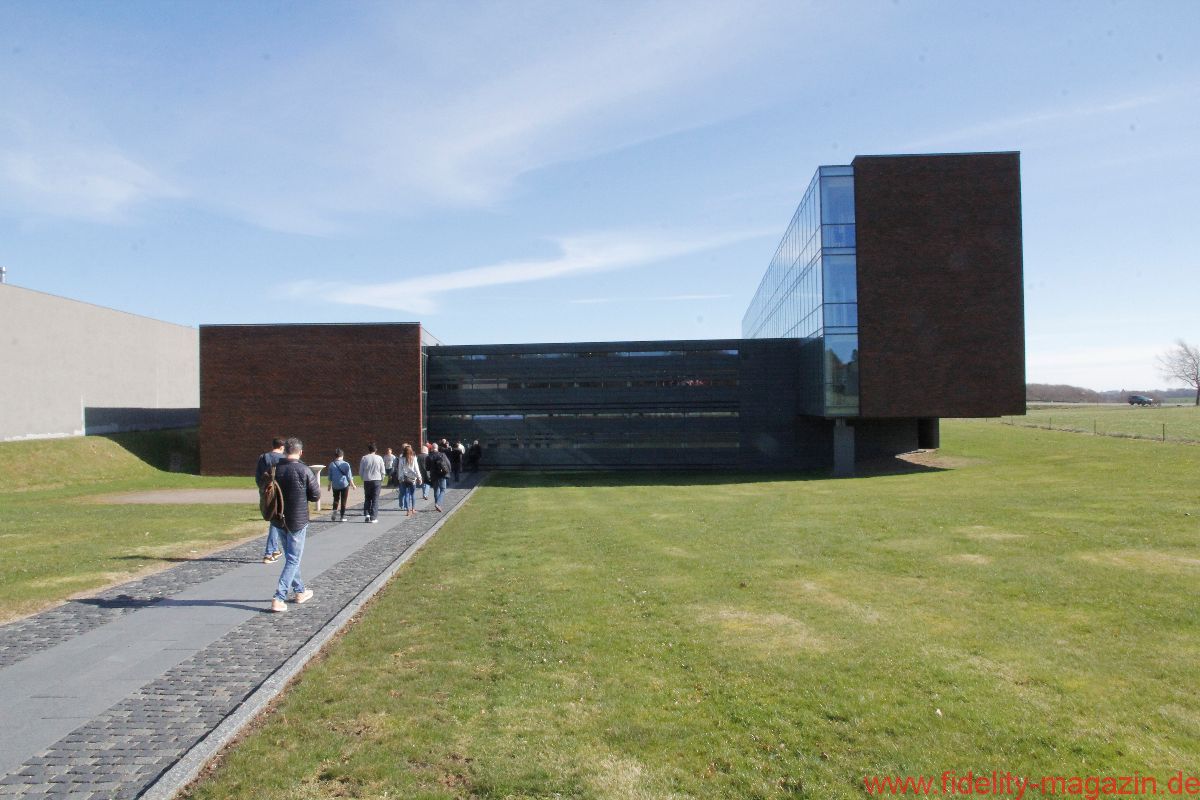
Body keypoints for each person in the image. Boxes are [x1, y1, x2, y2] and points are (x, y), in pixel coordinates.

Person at [270, 437, 320, 613]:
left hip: (279, 519)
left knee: (291, 558)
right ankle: (279, 597)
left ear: (284, 451)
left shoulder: (275, 468)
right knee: (293, 559)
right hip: (297, 520)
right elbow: (315, 495)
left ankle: (300, 591)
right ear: (301, 452)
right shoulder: (304, 470)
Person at [255, 437, 286, 564]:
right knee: (276, 520)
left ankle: (274, 550)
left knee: (275, 519)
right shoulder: (284, 459)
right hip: (280, 493)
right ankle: (268, 553)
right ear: (282, 447)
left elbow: (258, 477)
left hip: (267, 492)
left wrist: (263, 489)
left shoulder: (263, 457)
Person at [327, 448, 356, 522]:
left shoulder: (332, 464)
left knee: (336, 499)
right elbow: (349, 476)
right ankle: (342, 516)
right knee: (343, 501)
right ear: (342, 455)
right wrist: (353, 485)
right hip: (344, 484)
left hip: (335, 484)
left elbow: (330, 476)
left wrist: (329, 485)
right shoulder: (346, 464)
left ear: (335, 456)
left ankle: (334, 511)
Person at [359, 443, 385, 523]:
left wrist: (363, 477)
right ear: (376, 450)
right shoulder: (379, 458)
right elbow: (382, 470)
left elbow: (361, 471)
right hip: (377, 480)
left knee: (367, 498)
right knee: (375, 499)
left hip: (367, 480)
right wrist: (382, 478)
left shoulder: (364, 458)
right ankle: (373, 517)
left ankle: (367, 514)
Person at [399, 444, 423, 517]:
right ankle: (413, 509)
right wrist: (419, 478)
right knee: (412, 494)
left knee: (406, 494)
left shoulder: (401, 459)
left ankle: (408, 510)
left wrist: (400, 478)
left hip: (404, 479)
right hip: (412, 479)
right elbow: (416, 468)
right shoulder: (413, 458)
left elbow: (400, 469)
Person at [426, 443, 451, 512]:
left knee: (436, 490)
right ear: (437, 448)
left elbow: (427, 468)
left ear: (431, 448)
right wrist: (448, 471)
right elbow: (448, 463)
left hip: (433, 475)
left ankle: (437, 505)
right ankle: (438, 504)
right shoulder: (442, 455)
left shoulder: (428, 457)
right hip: (442, 474)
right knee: (443, 490)